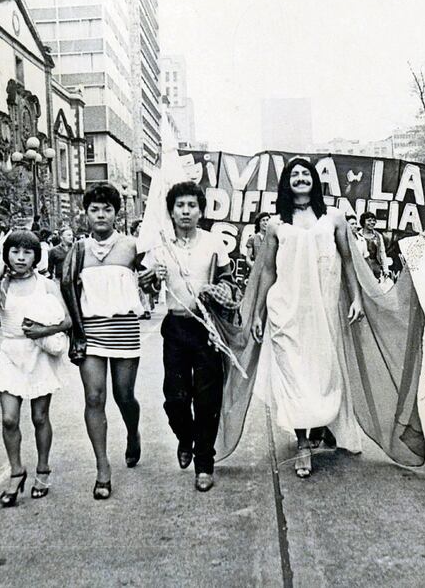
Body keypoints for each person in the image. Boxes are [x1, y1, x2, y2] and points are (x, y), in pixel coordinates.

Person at [251, 158, 365, 478]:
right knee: (293, 374)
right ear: (286, 183)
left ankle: (321, 425)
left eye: (306, 173)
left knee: (322, 373)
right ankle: (302, 444)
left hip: (324, 309)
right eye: (294, 174)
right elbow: (268, 271)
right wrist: (259, 312)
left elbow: (347, 259)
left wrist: (356, 297)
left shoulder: (334, 218)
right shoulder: (275, 224)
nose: (300, 178)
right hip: (285, 309)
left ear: (315, 181)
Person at [140, 182, 237, 492]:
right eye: (179, 205)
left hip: (207, 329)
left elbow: (228, 281)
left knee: (208, 398)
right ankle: (185, 437)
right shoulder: (160, 245)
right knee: (176, 398)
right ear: (171, 211)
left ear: (200, 211)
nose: (185, 211)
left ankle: (204, 464)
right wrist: (153, 279)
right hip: (176, 327)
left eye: (191, 205)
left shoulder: (214, 243)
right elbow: (148, 288)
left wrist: (220, 291)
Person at [60, 183, 142, 500]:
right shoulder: (78, 249)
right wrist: (73, 334)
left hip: (124, 330)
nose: (101, 214)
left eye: (107, 209)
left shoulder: (133, 246)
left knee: (124, 396)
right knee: (94, 397)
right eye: (95, 209)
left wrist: (151, 276)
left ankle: (133, 434)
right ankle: (102, 467)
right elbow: (67, 291)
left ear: (116, 214)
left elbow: (151, 277)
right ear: (86, 213)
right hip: (90, 332)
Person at [0, 231, 70, 505]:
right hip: (10, 353)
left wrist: (43, 330)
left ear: (36, 256)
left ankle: (43, 469)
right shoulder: (2, 284)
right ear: (6, 254)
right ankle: (16, 471)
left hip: (39, 353)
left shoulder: (45, 285)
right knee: (9, 418)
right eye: (15, 252)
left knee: (40, 417)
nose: (20, 257)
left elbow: (67, 321)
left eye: (27, 252)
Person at [359, 212, 390, 281]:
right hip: (362, 267)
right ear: (363, 222)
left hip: (375, 268)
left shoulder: (378, 236)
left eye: (374, 220)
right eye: (369, 220)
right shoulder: (358, 235)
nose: (372, 222)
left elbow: (382, 253)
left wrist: (385, 269)